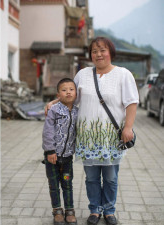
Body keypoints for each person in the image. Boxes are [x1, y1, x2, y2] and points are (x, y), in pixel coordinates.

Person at [45, 37, 139, 225]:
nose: (98, 54)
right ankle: (95, 209)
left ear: (110, 52)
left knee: (111, 178)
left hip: (112, 137)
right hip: (87, 138)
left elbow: (132, 102)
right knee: (91, 178)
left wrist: (128, 127)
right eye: (94, 51)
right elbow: (70, 95)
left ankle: (109, 211)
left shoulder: (123, 74)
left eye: (102, 50)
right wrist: (53, 102)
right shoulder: (83, 74)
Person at [42, 78, 78, 225]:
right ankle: (57, 210)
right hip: (52, 156)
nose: (68, 92)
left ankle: (69, 210)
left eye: (71, 89)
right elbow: (48, 131)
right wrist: (50, 150)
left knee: (67, 183)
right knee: (53, 184)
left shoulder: (77, 110)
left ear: (76, 93)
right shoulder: (54, 110)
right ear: (58, 94)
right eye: (64, 90)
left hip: (68, 156)